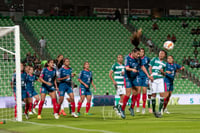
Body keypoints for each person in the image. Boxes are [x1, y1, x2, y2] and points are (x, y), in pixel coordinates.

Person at [120, 48, 153, 119]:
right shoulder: (127, 58)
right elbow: (126, 68)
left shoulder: (138, 59)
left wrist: (148, 75)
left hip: (135, 77)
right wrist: (132, 69)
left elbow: (142, 66)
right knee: (128, 94)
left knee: (136, 93)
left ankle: (131, 107)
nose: (138, 55)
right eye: (137, 54)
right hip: (128, 77)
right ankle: (122, 109)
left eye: (139, 54)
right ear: (133, 52)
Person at [149, 50, 167, 118]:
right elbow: (150, 67)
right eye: (160, 53)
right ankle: (154, 110)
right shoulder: (154, 59)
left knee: (162, 95)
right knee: (153, 94)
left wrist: (162, 72)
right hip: (154, 79)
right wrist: (151, 75)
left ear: (164, 55)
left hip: (160, 79)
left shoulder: (165, 64)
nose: (161, 54)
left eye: (162, 53)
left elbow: (165, 74)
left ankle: (159, 111)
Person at [135, 48, 151, 114]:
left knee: (144, 90)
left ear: (144, 53)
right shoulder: (136, 59)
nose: (141, 53)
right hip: (138, 75)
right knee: (138, 90)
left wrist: (150, 73)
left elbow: (150, 66)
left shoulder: (147, 59)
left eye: (142, 52)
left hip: (145, 76)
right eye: (140, 52)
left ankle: (144, 107)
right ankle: (138, 106)